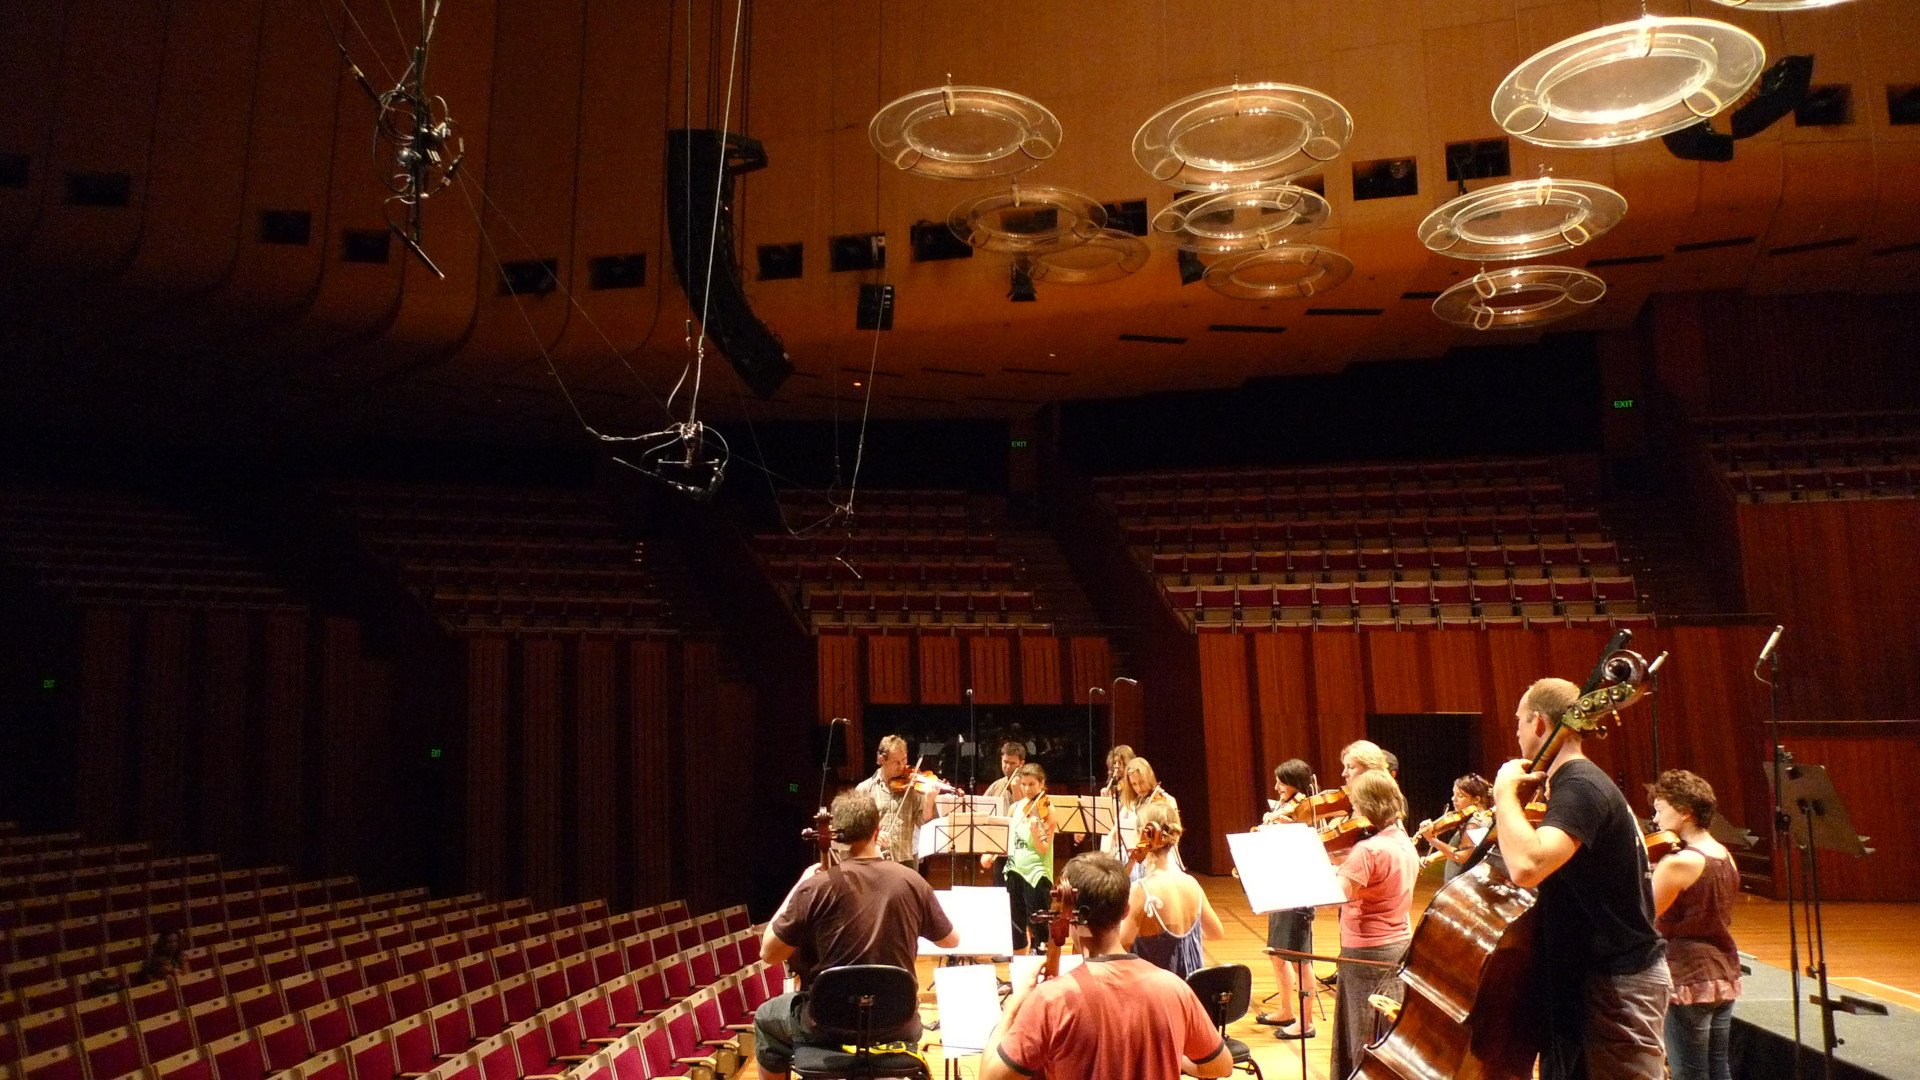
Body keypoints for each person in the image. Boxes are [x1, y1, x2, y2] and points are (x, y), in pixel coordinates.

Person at [1494, 677, 1670, 1080]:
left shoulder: (1580, 787)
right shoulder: (1573, 785)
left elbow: (1527, 866)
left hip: (1618, 984)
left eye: (1519, 722)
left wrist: (1504, 794)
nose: (1517, 732)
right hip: (1598, 980)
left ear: (1539, 723)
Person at [754, 792, 959, 1080]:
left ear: (836, 836)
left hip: (826, 1021)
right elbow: (951, 941)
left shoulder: (815, 886)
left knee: (765, 1018)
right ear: (877, 830)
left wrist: (801, 883)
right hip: (897, 1019)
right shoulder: (912, 881)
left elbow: (768, 954)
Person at [979, 853, 1233, 1080]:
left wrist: (1014, 1005)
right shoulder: (1174, 989)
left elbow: (991, 1077)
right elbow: (1221, 1066)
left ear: (1069, 913)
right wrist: (1175, 1058)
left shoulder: (1052, 999)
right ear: (1126, 911)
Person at [1650, 770, 1741, 1080]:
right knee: (1718, 1069)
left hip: (1687, 975)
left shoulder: (1678, 862)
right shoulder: (1725, 855)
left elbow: (1646, 917)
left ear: (1685, 811)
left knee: (1689, 1073)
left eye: (1661, 808)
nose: (1656, 816)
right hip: (1721, 971)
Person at [1329, 770, 1419, 1077]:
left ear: (1367, 805)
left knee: (1362, 1033)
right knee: (1384, 1031)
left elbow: (1333, 895)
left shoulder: (1367, 851)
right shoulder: (1403, 842)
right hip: (1396, 946)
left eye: (1354, 804)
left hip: (1364, 953)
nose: (1353, 810)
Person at [1121, 803, 1223, 979]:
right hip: (1190, 991)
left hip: (1157, 992)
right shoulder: (1192, 884)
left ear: (1142, 834)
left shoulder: (1142, 890)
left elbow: (1121, 946)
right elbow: (1216, 933)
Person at [1255, 758, 1317, 1036]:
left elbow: (1307, 842)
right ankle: (1286, 1011)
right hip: (1280, 888)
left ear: (1296, 783)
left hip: (1297, 891)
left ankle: (1306, 1023)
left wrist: (1282, 823)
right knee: (1277, 955)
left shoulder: (1305, 810)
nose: (1277, 786)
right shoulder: (1286, 807)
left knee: (1299, 959)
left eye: (1282, 781)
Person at [854, 734, 936, 864]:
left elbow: (923, 823)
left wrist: (929, 802)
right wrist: (873, 835)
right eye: (896, 762)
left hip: (906, 859)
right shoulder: (864, 789)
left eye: (904, 760)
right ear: (882, 760)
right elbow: (855, 828)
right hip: (875, 860)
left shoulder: (912, 787)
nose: (902, 766)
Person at [1002, 763, 1057, 954]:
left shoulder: (1047, 810)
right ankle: (1020, 969)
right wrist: (991, 853)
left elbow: (1043, 848)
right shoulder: (1015, 808)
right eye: (1023, 784)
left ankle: (1042, 964)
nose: (1026, 789)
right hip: (1014, 870)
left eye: (1032, 784)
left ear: (1042, 783)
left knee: (1039, 925)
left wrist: (1035, 829)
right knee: (1015, 926)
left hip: (1036, 874)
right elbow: (1007, 839)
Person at [1419, 773, 1493, 884]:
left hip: (1463, 886)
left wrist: (1432, 840)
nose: (1454, 799)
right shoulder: (1472, 820)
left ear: (1476, 799)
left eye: (1460, 796)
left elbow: (1463, 856)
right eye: (1454, 794)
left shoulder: (1476, 823)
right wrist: (1433, 857)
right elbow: (1461, 849)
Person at [1098, 744, 1136, 857]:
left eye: (1121, 763)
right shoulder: (1112, 785)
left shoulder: (1133, 784)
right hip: (1111, 835)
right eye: (1114, 763)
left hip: (1127, 834)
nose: (1117, 767)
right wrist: (1105, 802)